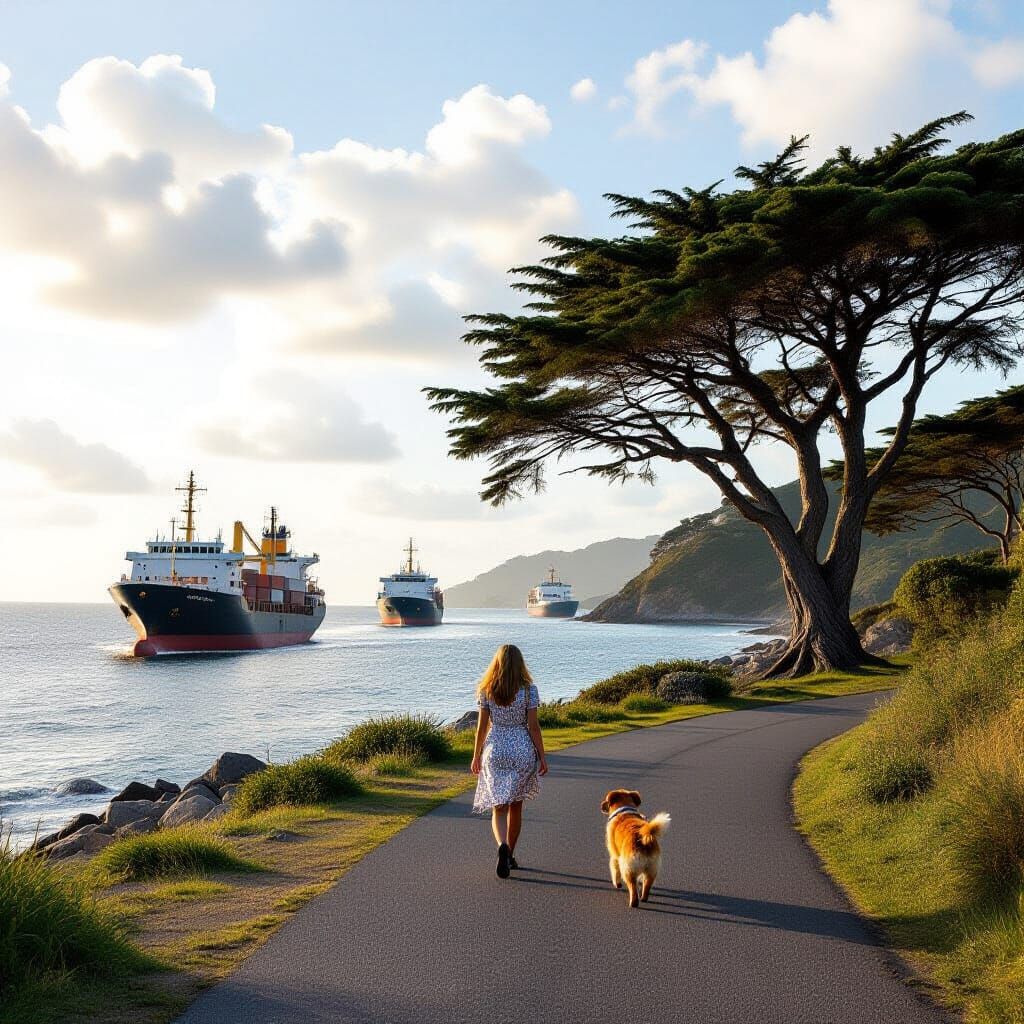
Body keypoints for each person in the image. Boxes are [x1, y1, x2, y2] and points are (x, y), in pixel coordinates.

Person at [470, 643, 548, 878]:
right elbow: (533, 727)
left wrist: (476, 755)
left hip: (495, 750)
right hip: (522, 749)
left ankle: (501, 845)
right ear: (520, 664)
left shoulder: (487, 690)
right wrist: (542, 756)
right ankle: (510, 855)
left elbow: (482, 727)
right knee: (516, 806)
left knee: (499, 807)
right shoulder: (528, 691)